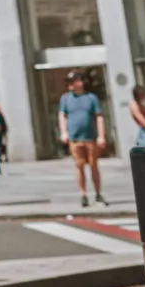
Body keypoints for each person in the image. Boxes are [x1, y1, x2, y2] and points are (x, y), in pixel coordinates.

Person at [58, 72, 108, 208]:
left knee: (94, 166)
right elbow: (62, 115)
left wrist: (101, 135)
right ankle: (83, 194)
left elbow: (99, 117)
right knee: (79, 166)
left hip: (90, 138)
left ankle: (98, 193)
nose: (71, 85)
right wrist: (63, 132)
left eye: (73, 81)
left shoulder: (91, 98)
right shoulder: (65, 99)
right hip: (75, 138)